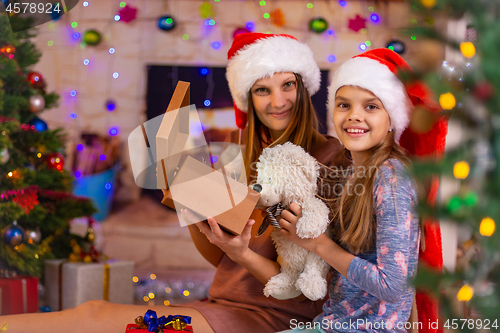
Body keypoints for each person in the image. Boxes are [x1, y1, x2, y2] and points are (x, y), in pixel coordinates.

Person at [2, 33, 347, 333]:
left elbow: (306, 286)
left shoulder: (331, 158)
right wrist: (188, 197)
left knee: (97, 317)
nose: (278, 101)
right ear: (249, 98)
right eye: (262, 89)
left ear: (304, 87)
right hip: (221, 308)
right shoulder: (238, 150)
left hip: (274, 317)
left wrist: (240, 252)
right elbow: (221, 260)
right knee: (96, 315)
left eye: (288, 84)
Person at [276, 48, 448, 333]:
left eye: (370, 106)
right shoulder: (352, 170)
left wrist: (318, 244)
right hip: (335, 324)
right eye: (344, 105)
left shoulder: (391, 178)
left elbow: (392, 286)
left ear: (392, 118)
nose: (354, 116)